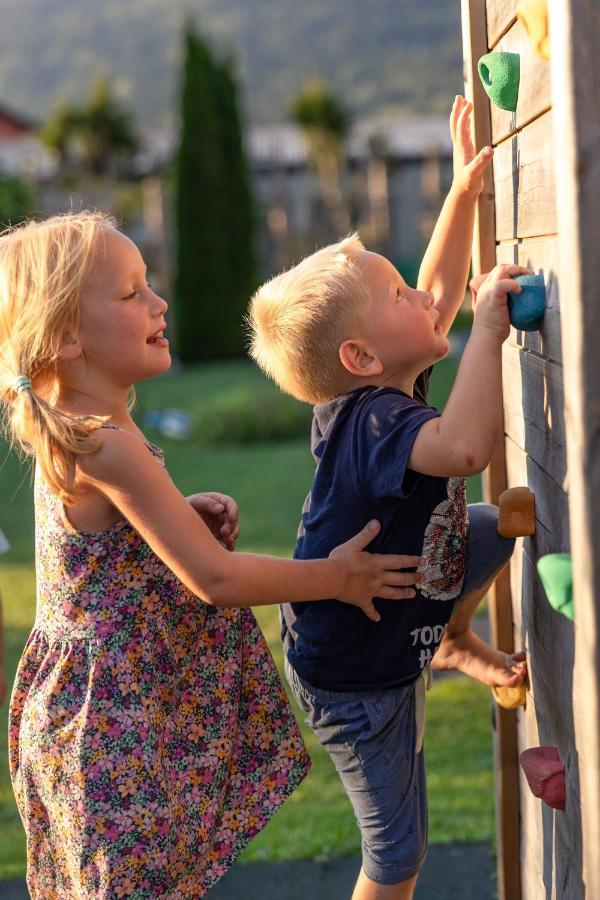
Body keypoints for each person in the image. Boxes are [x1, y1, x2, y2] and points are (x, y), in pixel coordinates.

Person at [0, 211, 423, 899]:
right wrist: (334, 577)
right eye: (132, 292)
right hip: (117, 727)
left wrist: (173, 520)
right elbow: (216, 578)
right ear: (67, 337)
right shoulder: (109, 442)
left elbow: (98, 551)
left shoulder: (90, 430)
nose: (159, 302)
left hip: (93, 717)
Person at [247, 96, 528, 900]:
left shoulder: (385, 381)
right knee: (397, 851)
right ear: (362, 355)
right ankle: (439, 641)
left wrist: (464, 189)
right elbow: (467, 447)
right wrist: (490, 328)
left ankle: (451, 641)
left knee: (493, 526)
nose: (424, 299)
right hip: (353, 676)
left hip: (403, 592)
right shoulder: (375, 421)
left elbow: (437, 294)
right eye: (399, 295)